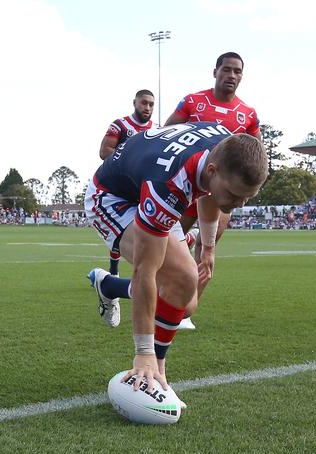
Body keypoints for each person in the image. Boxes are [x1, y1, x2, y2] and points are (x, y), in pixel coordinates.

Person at [85, 122, 268, 390]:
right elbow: (144, 272)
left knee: (186, 303)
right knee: (176, 279)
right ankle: (155, 370)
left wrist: (207, 248)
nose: (239, 205)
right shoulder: (169, 184)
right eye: (234, 195)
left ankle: (108, 285)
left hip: (149, 186)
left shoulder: (225, 149)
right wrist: (144, 353)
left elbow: (208, 192)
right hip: (113, 198)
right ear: (213, 170)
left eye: (247, 198)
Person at [162, 51, 261, 328]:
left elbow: (256, 154)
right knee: (166, 243)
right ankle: (167, 296)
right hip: (186, 186)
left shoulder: (248, 115)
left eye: (237, 71)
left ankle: (185, 311)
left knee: (209, 248)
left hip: (219, 193)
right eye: (227, 69)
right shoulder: (193, 101)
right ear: (215, 71)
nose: (231, 75)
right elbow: (167, 132)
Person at [98, 89, 156, 277]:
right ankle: (114, 270)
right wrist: (130, 161)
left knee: (149, 228)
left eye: (151, 104)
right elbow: (104, 152)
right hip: (121, 187)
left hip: (145, 187)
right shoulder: (120, 125)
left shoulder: (157, 129)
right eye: (144, 103)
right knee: (121, 230)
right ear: (135, 103)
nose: (147, 107)